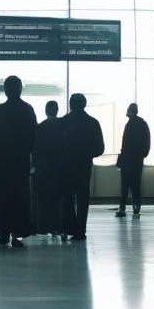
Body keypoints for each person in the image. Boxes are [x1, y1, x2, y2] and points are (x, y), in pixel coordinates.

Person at [0, 76, 36, 247]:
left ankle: (4, 232)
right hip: (20, 162)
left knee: (3, 198)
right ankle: (17, 233)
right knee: (20, 198)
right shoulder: (27, 109)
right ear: (20, 89)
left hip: (2, 164)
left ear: (6, 90)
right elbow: (33, 137)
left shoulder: (0, 110)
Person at [60, 93, 104, 241]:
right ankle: (81, 231)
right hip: (84, 166)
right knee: (83, 198)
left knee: (67, 196)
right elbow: (100, 148)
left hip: (66, 165)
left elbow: (56, 146)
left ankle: (69, 227)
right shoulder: (93, 123)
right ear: (84, 104)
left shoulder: (64, 122)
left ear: (71, 105)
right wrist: (86, 153)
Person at [34, 100, 64, 234]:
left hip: (44, 169)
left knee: (44, 199)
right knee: (59, 198)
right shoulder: (64, 126)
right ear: (57, 110)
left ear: (46, 111)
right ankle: (58, 227)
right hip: (60, 168)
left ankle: (44, 227)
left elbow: (35, 149)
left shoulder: (40, 127)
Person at [116, 103, 150, 218]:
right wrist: (143, 154)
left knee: (124, 185)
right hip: (137, 159)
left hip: (127, 159)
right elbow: (147, 141)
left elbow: (125, 144)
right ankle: (136, 207)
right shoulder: (143, 124)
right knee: (136, 184)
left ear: (129, 111)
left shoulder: (129, 124)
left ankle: (122, 208)